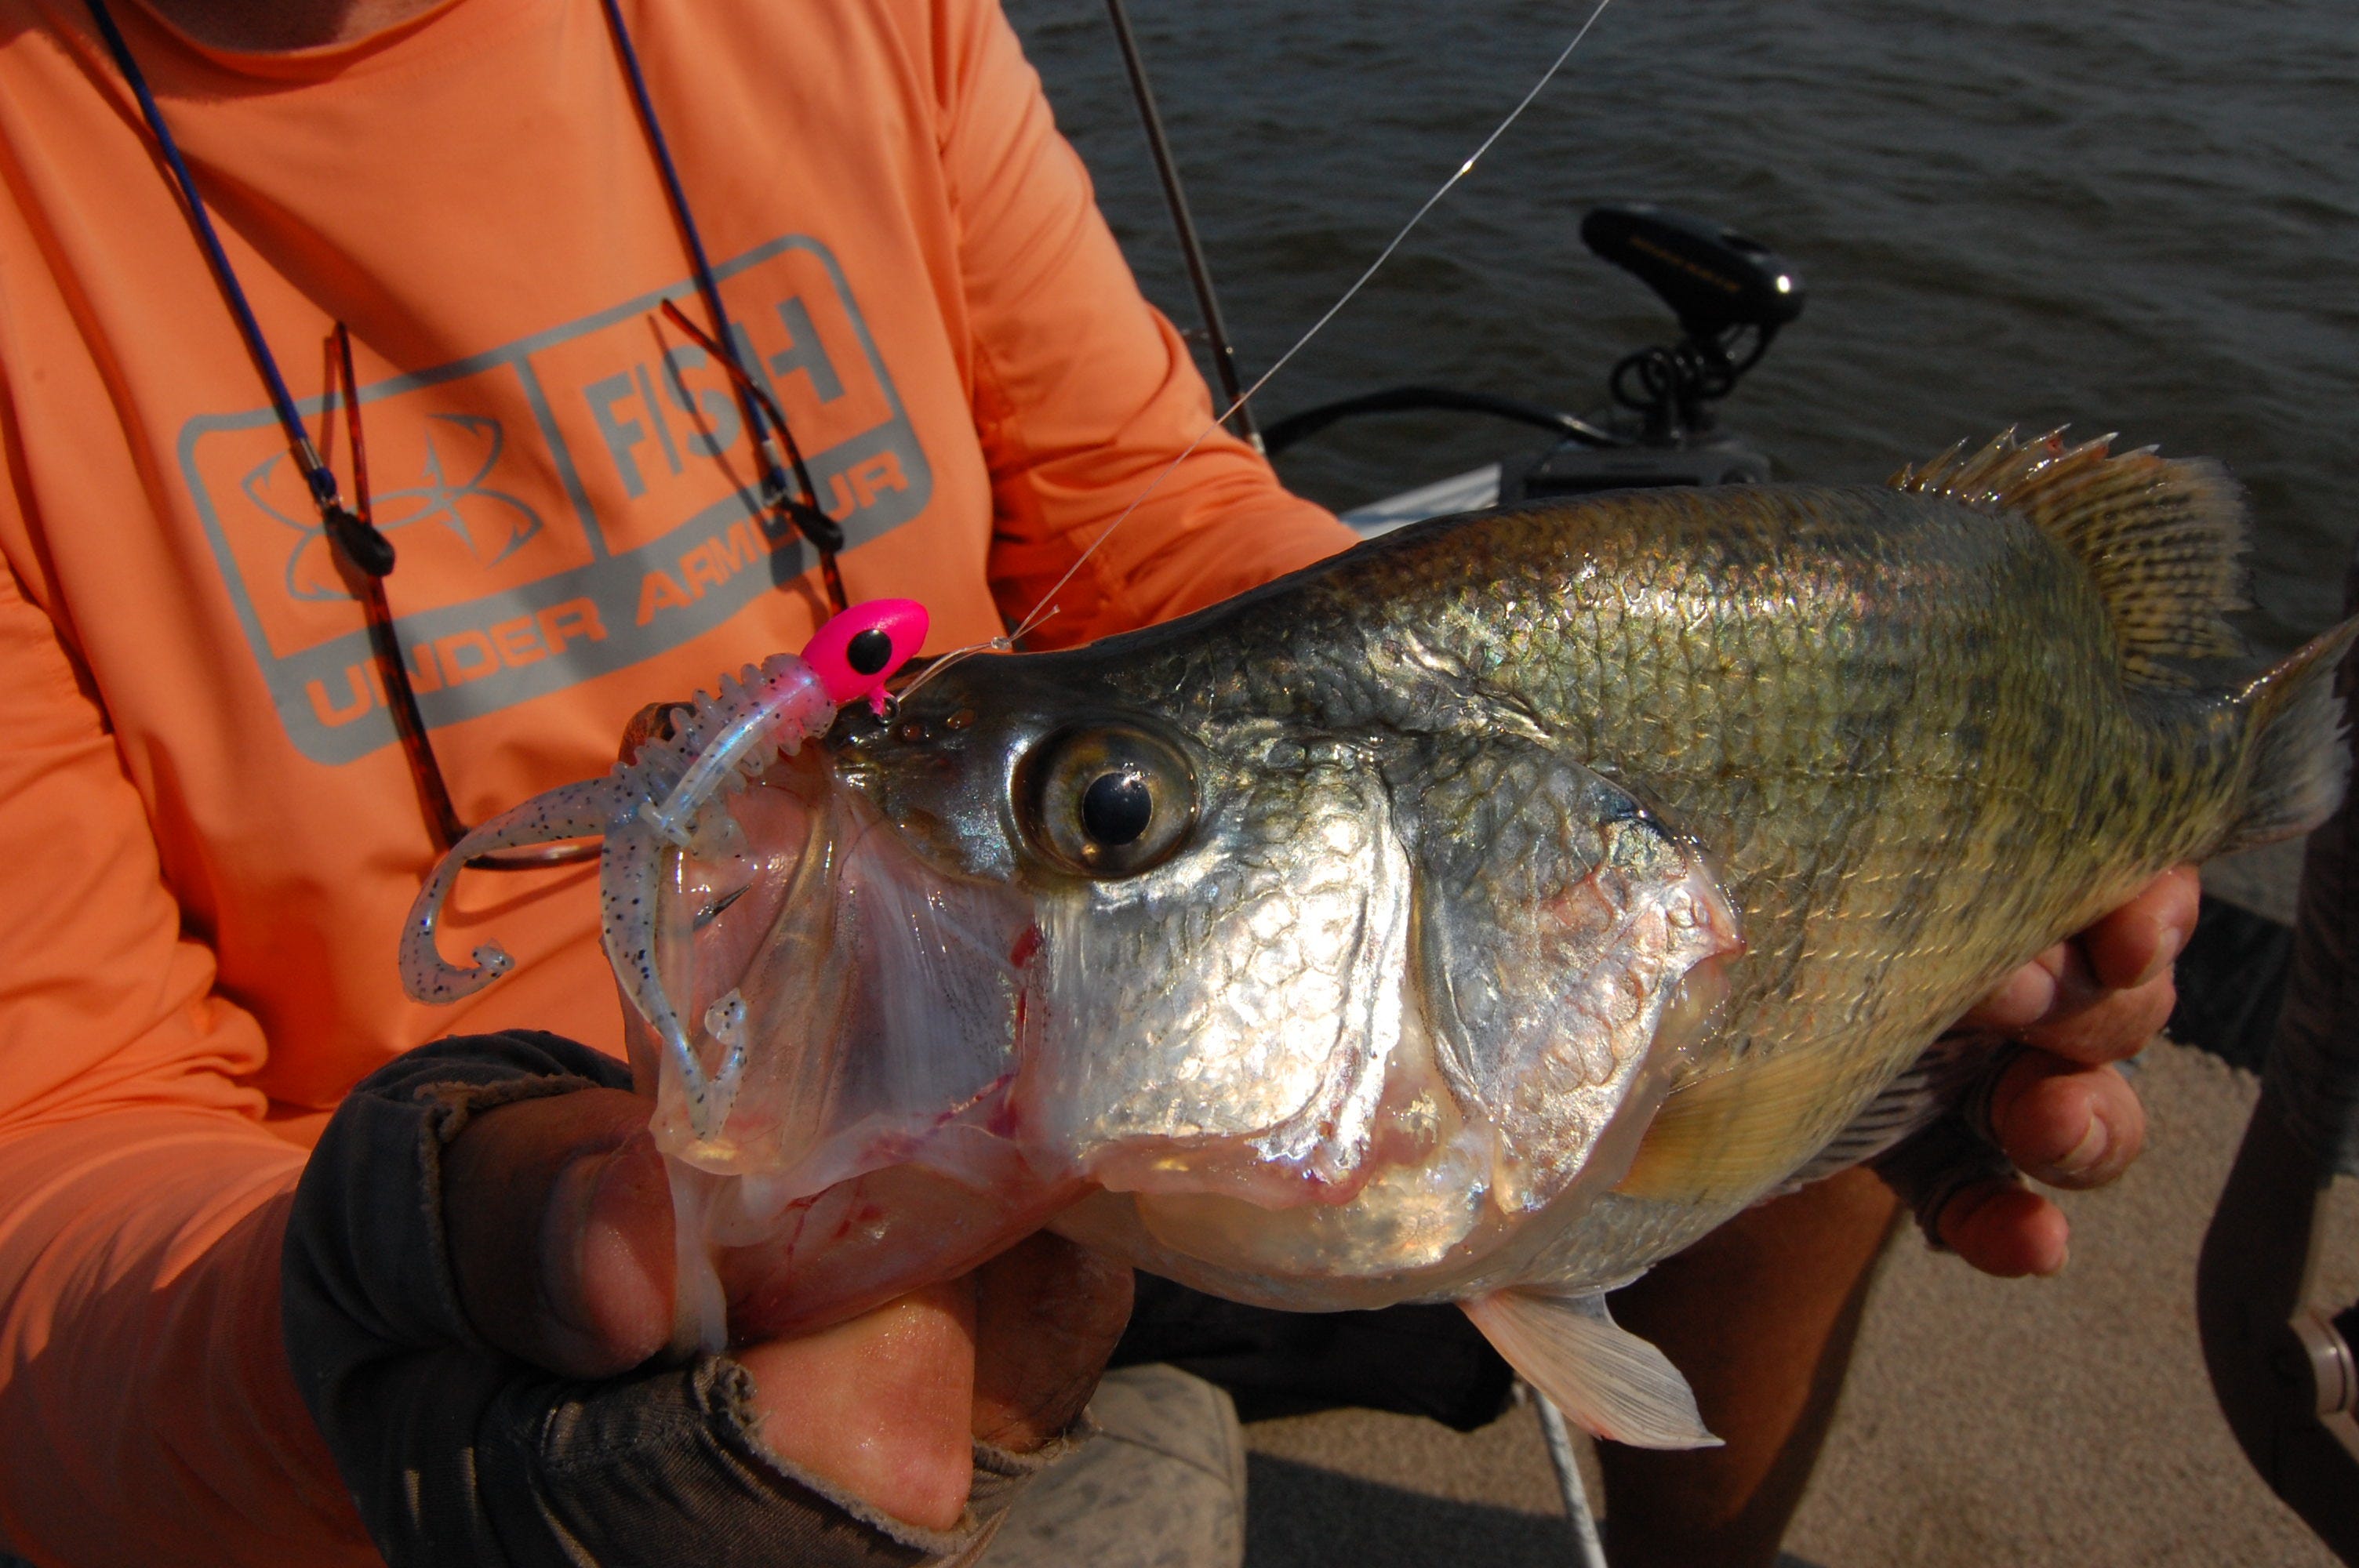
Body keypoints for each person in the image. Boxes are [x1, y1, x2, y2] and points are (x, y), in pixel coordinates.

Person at [0, 0, 2191, 1564]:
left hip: (1108, 1096)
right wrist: (368, 1332)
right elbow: (52, 1151)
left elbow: (1147, 513)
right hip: (495, 1345)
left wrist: (1666, 779)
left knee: (1803, 1103)